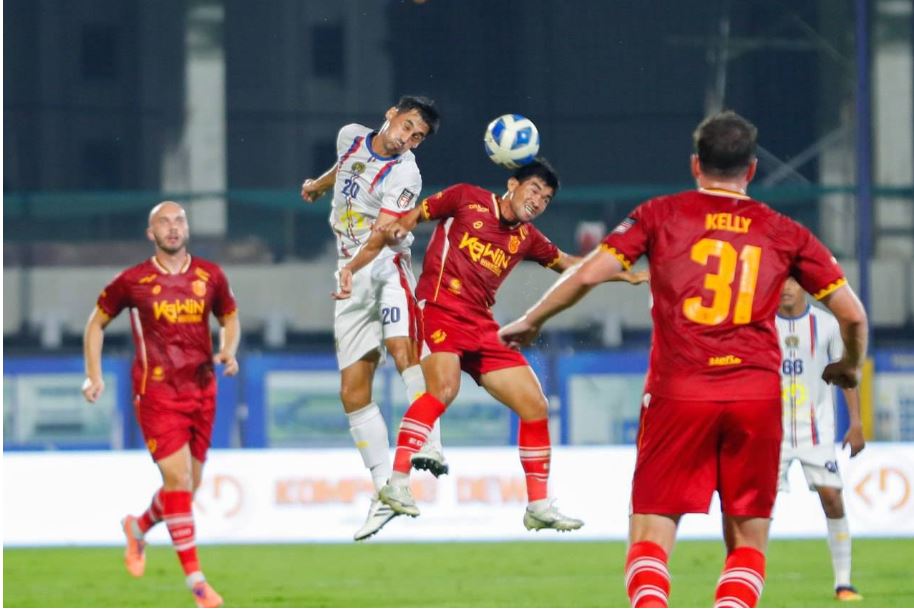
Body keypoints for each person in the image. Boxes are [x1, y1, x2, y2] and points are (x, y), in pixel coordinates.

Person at [498, 111, 868, 608]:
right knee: (747, 542)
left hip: (679, 393)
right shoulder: (784, 231)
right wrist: (849, 365)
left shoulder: (660, 215)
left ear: (696, 164)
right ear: (751, 169)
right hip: (756, 398)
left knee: (650, 532)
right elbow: (853, 315)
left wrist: (532, 319)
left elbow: (586, 274)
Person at [337, 159, 647, 531]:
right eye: (534, 190)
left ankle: (538, 506)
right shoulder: (466, 198)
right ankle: (397, 484)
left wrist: (622, 275)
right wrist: (401, 224)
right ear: (512, 184)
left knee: (535, 404)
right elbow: (418, 213)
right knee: (444, 389)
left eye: (546, 199)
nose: (538, 201)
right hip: (439, 309)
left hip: (482, 325)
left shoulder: (527, 237)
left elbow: (568, 264)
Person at [300, 95, 448, 541]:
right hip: (348, 268)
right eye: (407, 126)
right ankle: (386, 489)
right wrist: (319, 185)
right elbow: (346, 166)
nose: (408, 139)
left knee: (403, 348)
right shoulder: (350, 135)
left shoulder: (406, 174)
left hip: (384, 266)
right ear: (390, 115)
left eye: (418, 136)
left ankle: (431, 440)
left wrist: (350, 269)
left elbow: (383, 235)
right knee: (352, 390)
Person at [82, 201, 239, 608]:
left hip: (202, 390)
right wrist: (94, 375)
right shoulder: (133, 281)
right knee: (178, 479)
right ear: (151, 233)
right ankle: (197, 582)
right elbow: (95, 324)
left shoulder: (211, 275)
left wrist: (228, 349)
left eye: (178, 221)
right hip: (156, 393)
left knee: (189, 486)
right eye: (163, 223)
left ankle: (138, 527)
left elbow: (229, 317)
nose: (172, 227)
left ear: (187, 228)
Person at [776, 276, 865, 601]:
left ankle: (844, 583)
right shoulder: (761, 325)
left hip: (816, 433)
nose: (787, 287)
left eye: (793, 281)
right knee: (752, 509)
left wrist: (856, 423)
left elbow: (846, 374)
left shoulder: (826, 325)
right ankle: (741, 579)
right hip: (771, 435)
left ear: (804, 286)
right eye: (782, 281)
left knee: (832, 498)